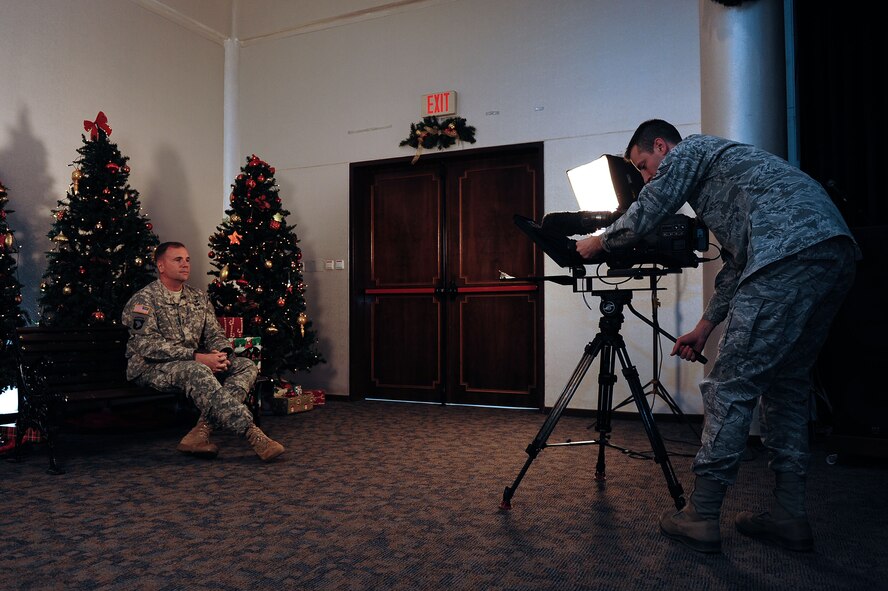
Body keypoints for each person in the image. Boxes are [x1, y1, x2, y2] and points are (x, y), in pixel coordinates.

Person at [576, 119, 860, 553]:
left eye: (646, 165)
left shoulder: (691, 150)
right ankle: (790, 514)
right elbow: (737, 265)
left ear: (660, 146)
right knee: (787, 385)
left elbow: (652, 206)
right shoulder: (726, 177)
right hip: (831, 252)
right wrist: (704, 328)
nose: (648, 177)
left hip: (787, 252)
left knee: (730, 388)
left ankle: (702, 515)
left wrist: (601, 241)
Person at [122, 241, 284, 462]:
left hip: (191, 362)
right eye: (177, 260)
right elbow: (147, 346)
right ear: (161, 266)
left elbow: (214, 334)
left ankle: (202, 430)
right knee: (196, 371)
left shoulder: (198, 298)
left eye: (187, 259)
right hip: (150, 367)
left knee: (244, 366)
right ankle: (252, 434)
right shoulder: (143, 301)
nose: (185, 264)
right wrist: (196, 357)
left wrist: (222, 355)